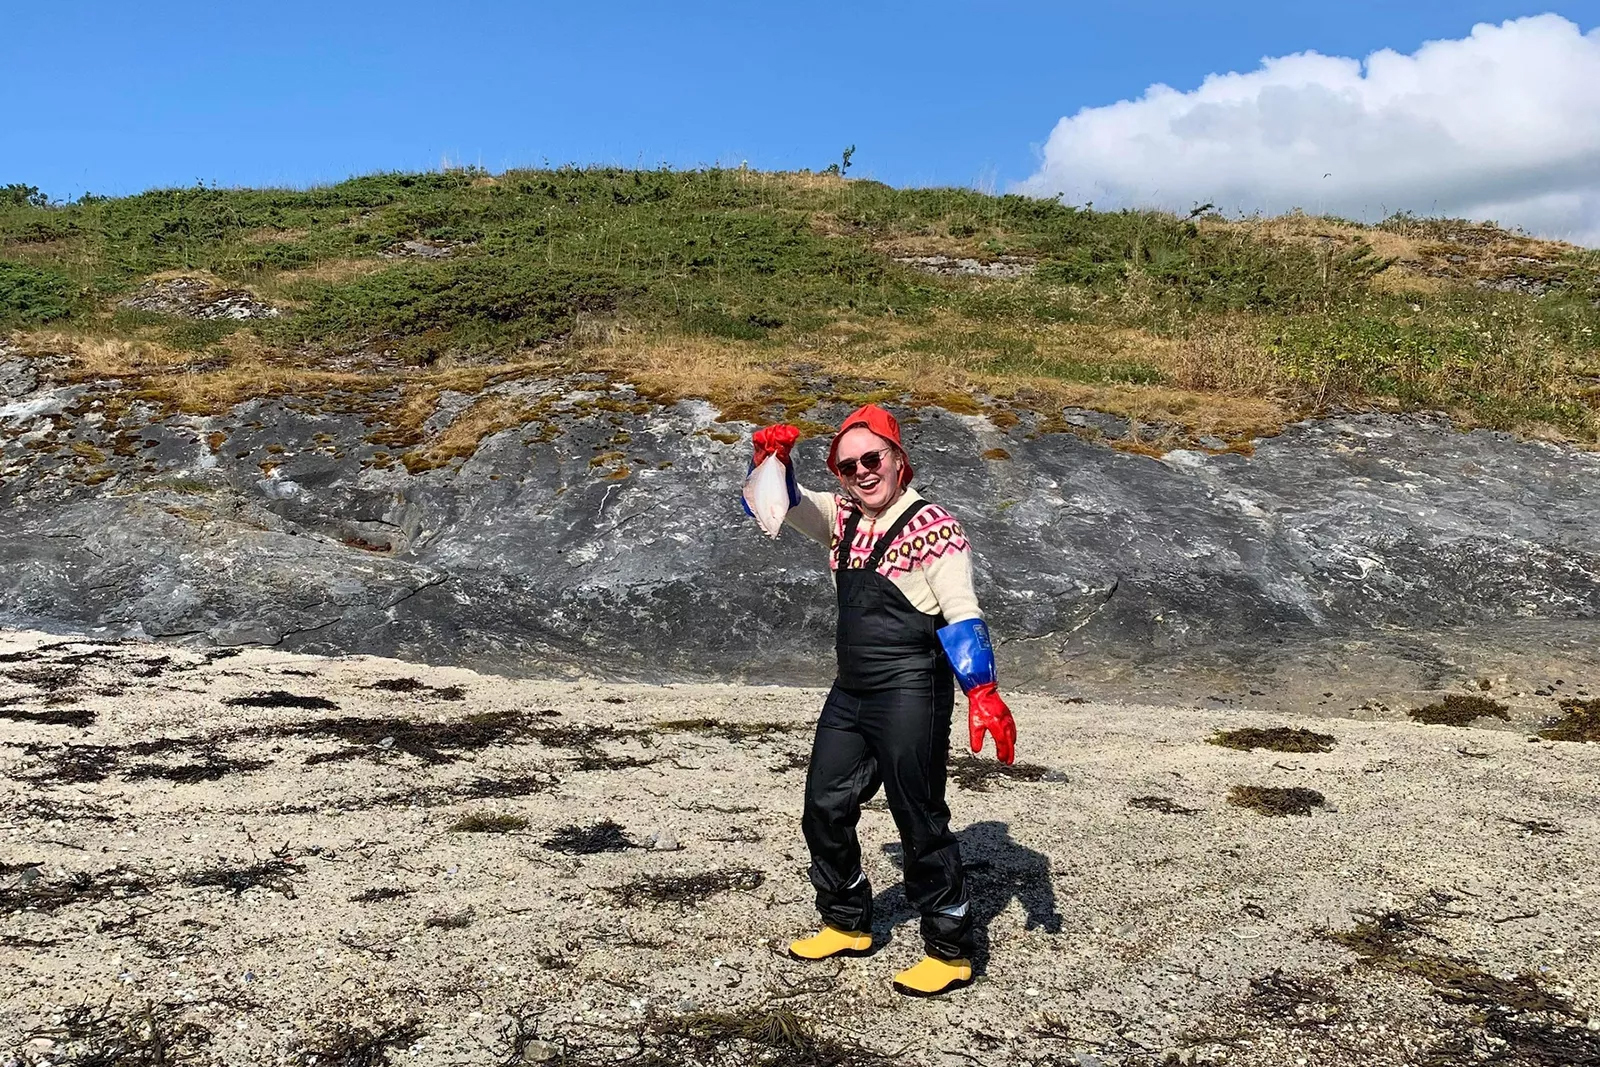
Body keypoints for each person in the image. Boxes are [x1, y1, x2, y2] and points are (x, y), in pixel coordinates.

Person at [746, 404, 1017, 996]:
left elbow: (962, 612)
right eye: (848, 466)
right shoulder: (840, 515)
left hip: (910, 690)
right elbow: (772, 504)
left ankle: (950, 951)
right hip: (852, 690)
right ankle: (847, 922)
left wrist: (983, 690)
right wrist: (771, 459)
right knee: (823, 805)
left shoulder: (935, 528)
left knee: (918, 818)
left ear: (899, 458)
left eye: (873, 458)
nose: (863, 472)